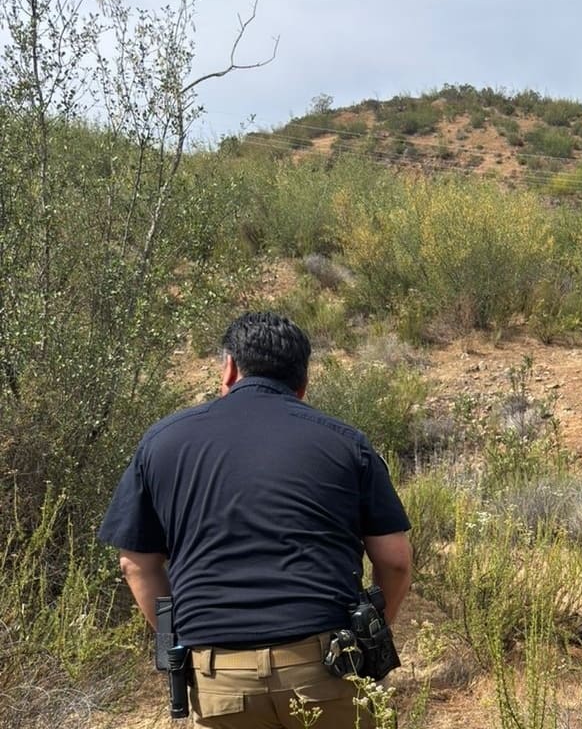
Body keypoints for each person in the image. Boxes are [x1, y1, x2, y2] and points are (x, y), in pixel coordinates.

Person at [99, 311, 413, 728]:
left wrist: (179, 644)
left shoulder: (162, 442)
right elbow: (395, 560)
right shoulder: (345, 442)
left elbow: (136, 564)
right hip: (327, 667)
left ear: (229, 367)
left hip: (218, 677)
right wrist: (372, 635)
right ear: (302, 384)